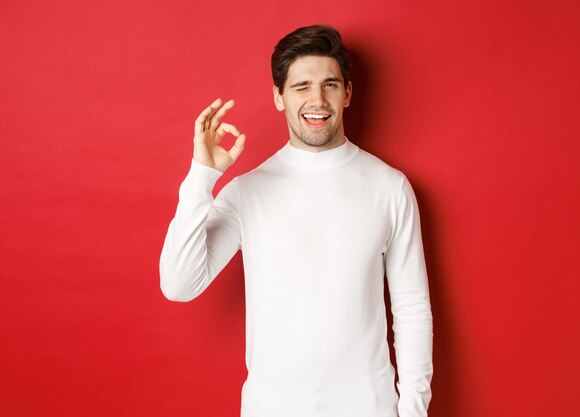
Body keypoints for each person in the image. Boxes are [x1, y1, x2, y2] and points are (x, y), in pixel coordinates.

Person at [159, 24, 433, 417]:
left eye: (330, 85)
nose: (317, 100)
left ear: (347, 93)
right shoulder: (246, 192)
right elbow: (179, 285)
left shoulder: (389, 187)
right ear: (279, 97)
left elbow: (412, 309)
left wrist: (413, 412)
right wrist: (202, 176)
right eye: (301, 87)